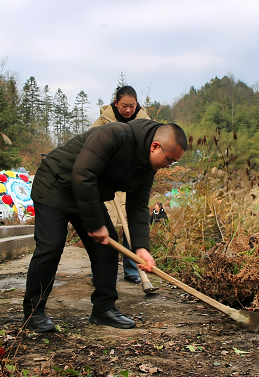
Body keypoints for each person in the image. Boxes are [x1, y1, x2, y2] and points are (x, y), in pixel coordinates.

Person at [23, 119, 187, 332]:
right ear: (155, 146)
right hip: (55, 183)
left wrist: (141, 248)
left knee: (107, 246)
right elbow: (83, 174)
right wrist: (94, 223)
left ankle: (104, 308)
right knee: (51, 246)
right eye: (170, 160)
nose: (168, 166)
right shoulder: (115, 134)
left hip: (86, 193)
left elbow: (137, 206)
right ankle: (34, 312)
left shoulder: (148, 166)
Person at [92, 85, 151, 283]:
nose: (128, 110)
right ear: (116, 103)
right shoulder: (103, 121)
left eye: (132, 106)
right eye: (124, 106)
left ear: (137, 104)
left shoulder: (145, 123)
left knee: (131, 225)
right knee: (104, 228)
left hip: (131, 180)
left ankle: (132, 270)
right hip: (107, 182)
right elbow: (90, 145)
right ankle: (100, 271)